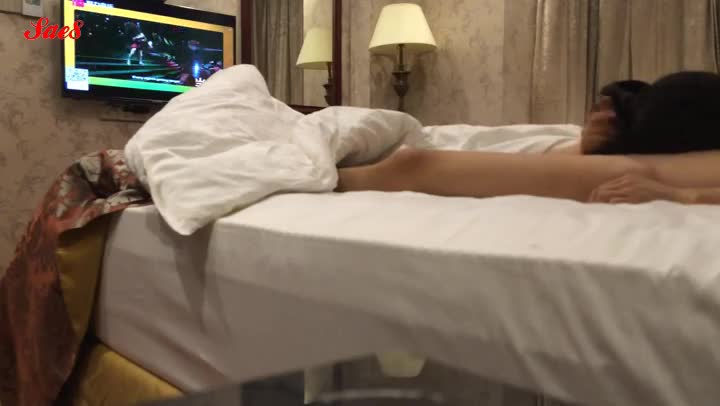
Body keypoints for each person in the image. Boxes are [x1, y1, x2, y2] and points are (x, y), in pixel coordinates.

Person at [336, 71, 720, 205]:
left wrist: (680, 195)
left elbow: (415, 166)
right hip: (659, 125)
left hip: (666, 137)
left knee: (409, 158)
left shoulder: (663, 160)